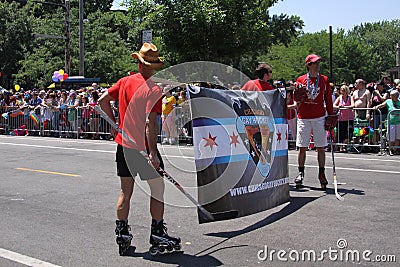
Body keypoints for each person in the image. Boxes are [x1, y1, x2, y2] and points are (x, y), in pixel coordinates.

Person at [98, 43, 181, 256]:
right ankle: (157, 233)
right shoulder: (153, 89)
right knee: (158, 190)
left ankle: (122, 234)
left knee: (126, 191)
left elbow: (102, 101)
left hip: (124, 145)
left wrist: (114, 124)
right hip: (142, 147)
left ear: (138, 62)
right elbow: (150, 124)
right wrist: (152, 153)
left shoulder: (124, 82)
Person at [292, 54, 336, 190]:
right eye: (314, 63)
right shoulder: (301, 79)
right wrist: (296, 94)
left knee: (321, 147)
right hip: (303, 116)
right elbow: (296, 99)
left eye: (318, 63)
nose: (317, 65)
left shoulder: (324, 80)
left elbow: (328, 99)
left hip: (319, 116)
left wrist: (331, 115)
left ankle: (322, 173)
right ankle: (300, 172)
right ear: (308, 65)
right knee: (302, 146)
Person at [374, 90, 400, 155]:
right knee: (391, 137)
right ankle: (390, 149)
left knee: (398, 137)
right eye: (390, 95)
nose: (390, 96)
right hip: (391, 122)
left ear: (396, 96)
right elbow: (382, 105)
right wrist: (377, 107)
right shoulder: (388, 101)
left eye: (392, 95)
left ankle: (395, 149)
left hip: (399, 122)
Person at [333, 85, 354, 151]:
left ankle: (345, 145)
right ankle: (341, 146)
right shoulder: (339, 97)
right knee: (341, 133)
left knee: (349, 132)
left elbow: (353, 105)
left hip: (349, 118)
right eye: (342, 90)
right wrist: (339, 106)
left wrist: (345, 107)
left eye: (344, 90)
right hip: (341, 118)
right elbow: (334, 105)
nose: (343, 92)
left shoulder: (350, 97)